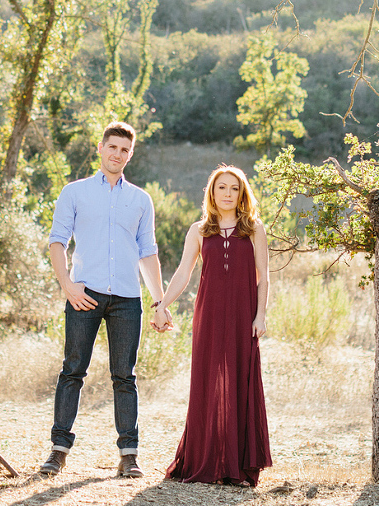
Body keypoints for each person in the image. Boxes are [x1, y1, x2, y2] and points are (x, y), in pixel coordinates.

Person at [39, 121, 165, 480]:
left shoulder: (140, 200)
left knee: (125, 377)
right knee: (73, 370)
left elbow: (148, 253)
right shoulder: (75, 192)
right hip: (85, 295)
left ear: (131, 154)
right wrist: (67, 285)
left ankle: (129, 455)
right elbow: (57, 241)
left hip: (127, 299)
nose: (117, 154)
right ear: (100, 148)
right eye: (112, 147)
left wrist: (160, 301)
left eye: (124, 150)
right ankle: (58, 451)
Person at [152, 164, 271, 487]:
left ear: (242, 193)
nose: (228, 194)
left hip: (244, 316)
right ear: (212, 192)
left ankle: (239, 467)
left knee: (240, 383)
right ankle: (205, 461)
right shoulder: (199, 230)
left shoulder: (254, 229)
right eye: (222, 187)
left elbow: (264, 278)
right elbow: (183, 274)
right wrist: (162, 304)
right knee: (208, 384)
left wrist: (260, 316)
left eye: (234, 188)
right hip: (209, 315)